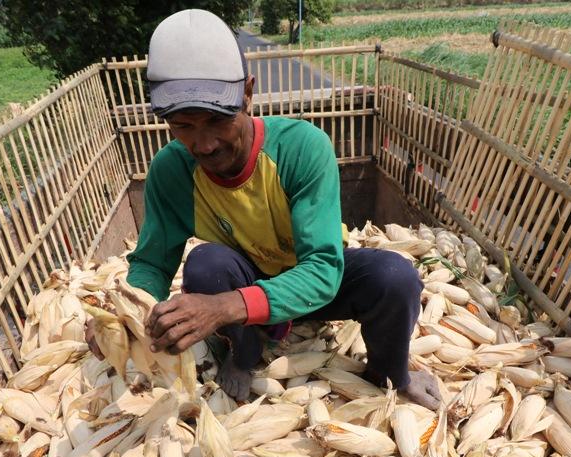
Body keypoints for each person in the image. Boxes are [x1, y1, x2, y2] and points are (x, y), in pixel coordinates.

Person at [126, 8, 440, 410]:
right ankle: (244, 354)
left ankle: (392, 374)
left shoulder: (301, 149)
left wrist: (224, 307)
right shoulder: (172, 171)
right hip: (245, 277)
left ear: (248, 94)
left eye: (217, 120)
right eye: (183, 126)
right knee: (205, 264)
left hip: (315, 281)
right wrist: (125, 315)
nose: (203, 144)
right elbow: (152, 264)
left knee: (396, 277)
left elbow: (324, 269)